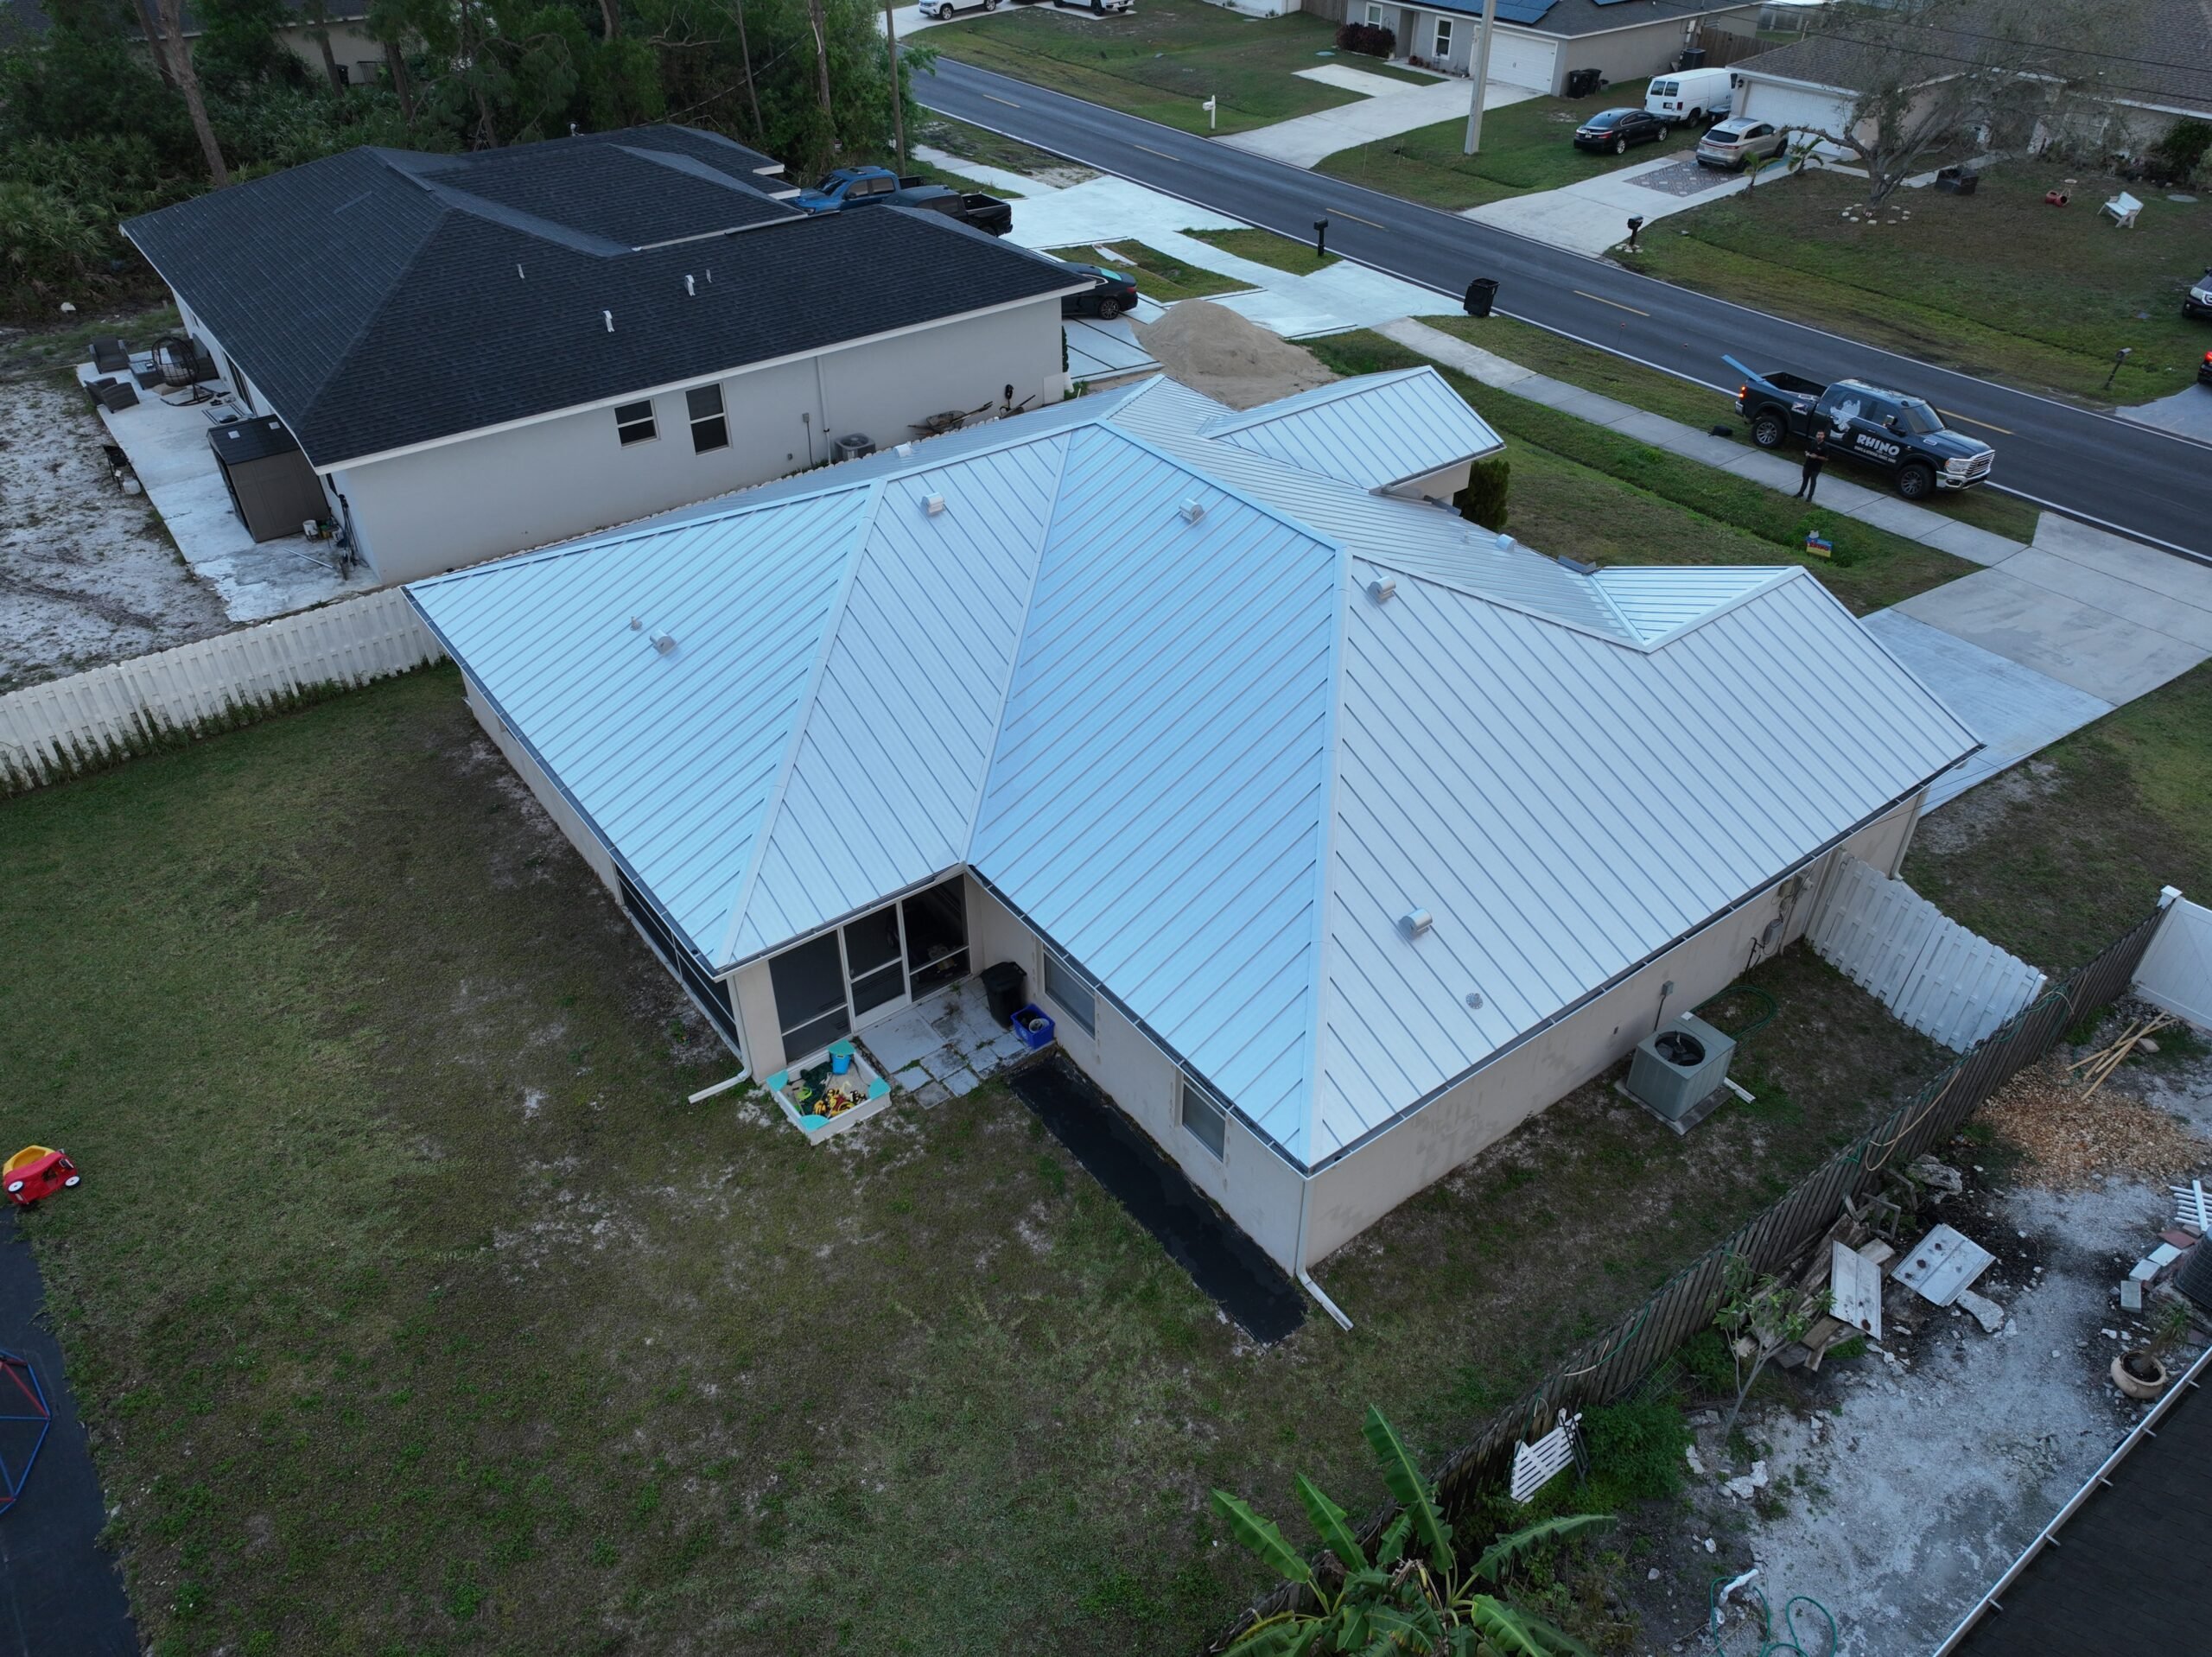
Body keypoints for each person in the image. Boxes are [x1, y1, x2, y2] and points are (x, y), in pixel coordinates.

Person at [1796, 423, 1829, 501]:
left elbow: (1826, 458)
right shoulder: (1812, 442)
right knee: (1805, 479)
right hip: (1807, 465)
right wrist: (1807, 454)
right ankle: (1800, 493)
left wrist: (1817, 457)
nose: (1819, 436)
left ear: (1824, 436)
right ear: (1816, 435)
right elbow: (1807, 450)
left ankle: (1810, 497)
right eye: (1818, 435)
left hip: (1816, 467)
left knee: (1813, 481)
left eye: (1821, 435)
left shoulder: (1825, 447)